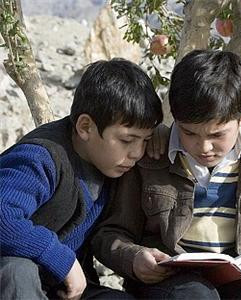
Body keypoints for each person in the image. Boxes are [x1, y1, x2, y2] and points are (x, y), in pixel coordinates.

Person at [91, 50, 241, 299]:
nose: (203, 147)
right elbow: (111, 232)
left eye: (217, 135)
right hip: (168, 283)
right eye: (189, 133)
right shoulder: (149, 157)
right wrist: (134, 258)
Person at [0, 58, 163, 299]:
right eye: (127, 140)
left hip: (68, 289)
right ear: (85, 127)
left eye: (146, 140)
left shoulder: (112, 163)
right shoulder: (40, 159)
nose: (137, 153)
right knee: (17, 271)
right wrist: (59, 258)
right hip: (17, 286)